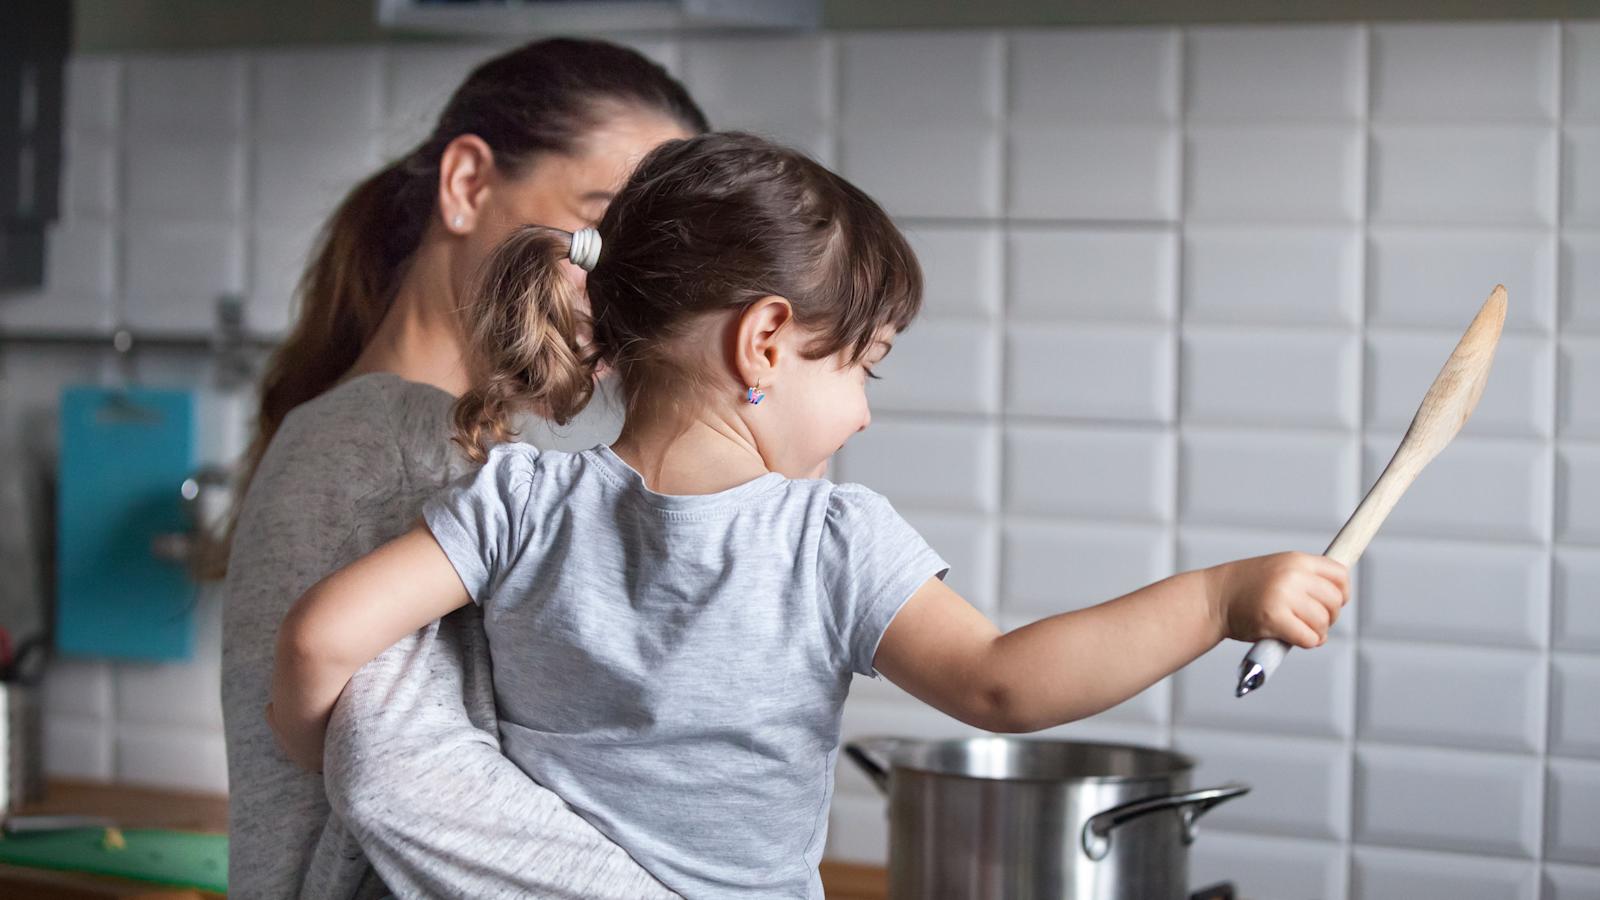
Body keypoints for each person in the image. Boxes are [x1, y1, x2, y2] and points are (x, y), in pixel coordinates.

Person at [267, 132, 1350, 900]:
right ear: (765, 342)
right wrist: (1216, 599)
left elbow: (320, 637)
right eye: (865, 368)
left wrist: (341, 770)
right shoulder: (830, 543)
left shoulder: (519, 499)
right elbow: (1004, 682)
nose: (864, 416)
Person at [221, 38, 707, 898]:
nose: (624, 294)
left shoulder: (425, 441)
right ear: (468, 185)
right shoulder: (390, 445)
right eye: (600, 232)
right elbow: (413, 780)